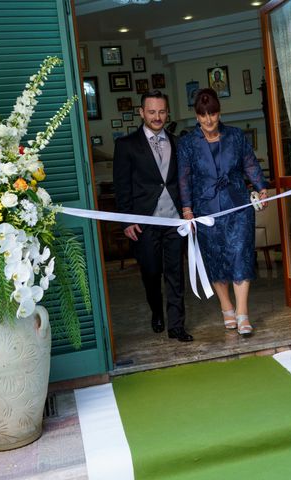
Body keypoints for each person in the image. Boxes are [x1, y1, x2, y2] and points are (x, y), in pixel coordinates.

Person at [177, 88, 268, 335]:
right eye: (203, 115)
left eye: (213, 114)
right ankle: (226, 307)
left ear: (219, 113)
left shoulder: (236, 136)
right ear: (196, 116)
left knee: (241, 255)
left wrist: (261, 188)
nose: (209, 120)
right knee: (215, 259)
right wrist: (187, 208)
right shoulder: (186, 143)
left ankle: (242, 313)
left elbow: (250, 163)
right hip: (206, 210)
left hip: (238, 205)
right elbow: (183, 178)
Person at [113, 90, 193, 342]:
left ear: (167, 112)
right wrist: (127, 220)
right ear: (141, 113)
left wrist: (188, 212)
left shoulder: (179, 142)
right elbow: (122, 185)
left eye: (161, 112)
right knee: (150, 272)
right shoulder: (126, 145)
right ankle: (156, 311)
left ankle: (177, 326)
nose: (157, 117)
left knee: (175, 274)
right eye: (152, 112)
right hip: (144, 222)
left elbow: (183, 181)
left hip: (174, 221)